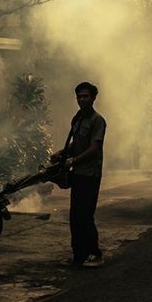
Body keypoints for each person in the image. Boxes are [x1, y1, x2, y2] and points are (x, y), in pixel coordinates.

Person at [52, 82, 106, 268]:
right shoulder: (78, 119)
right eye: (79, 96)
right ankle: (79, 255)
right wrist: (62, 152)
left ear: (93, 98)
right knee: (75, 216)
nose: (82, 99)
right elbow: (76, 143)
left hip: (90, 174)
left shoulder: (97, 120)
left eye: (85, 96)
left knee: (85, 215)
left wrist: (73, 161)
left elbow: (94, 148)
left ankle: (95, 254)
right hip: (78, 174)